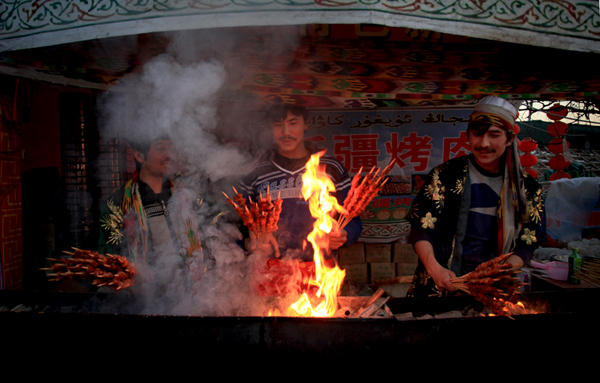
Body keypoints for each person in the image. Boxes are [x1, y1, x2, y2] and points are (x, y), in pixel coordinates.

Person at [406, 96, 545, 297]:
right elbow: (421, 230)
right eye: (477, 134)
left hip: (494, 292)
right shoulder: (445, 175)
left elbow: (527, 243)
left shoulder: (527, 188)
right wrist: (434, 268)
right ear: (468, 136)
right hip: (440, 287)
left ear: (509, 139)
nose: (484, 143)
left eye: (494, 135)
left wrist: (499, 274)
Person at [239, 104, 362, 262]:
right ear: (269, 128)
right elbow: (234, 228)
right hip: (270, 270)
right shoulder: (254, 174)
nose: (286, 132)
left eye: (293, 123)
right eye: (278, 125)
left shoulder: (331, 168)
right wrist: (249, 243)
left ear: (306, 123)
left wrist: (345, 234)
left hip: (321, 273)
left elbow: (354, 220)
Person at [98, 136, 202, 266]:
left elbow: (215, 229)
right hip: (145, 285)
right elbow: (110, 261)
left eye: (172, 148)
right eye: (160, 148)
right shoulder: (117, 204)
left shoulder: (189, 195)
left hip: (190, 285)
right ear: (139, 155)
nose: (169, 154)